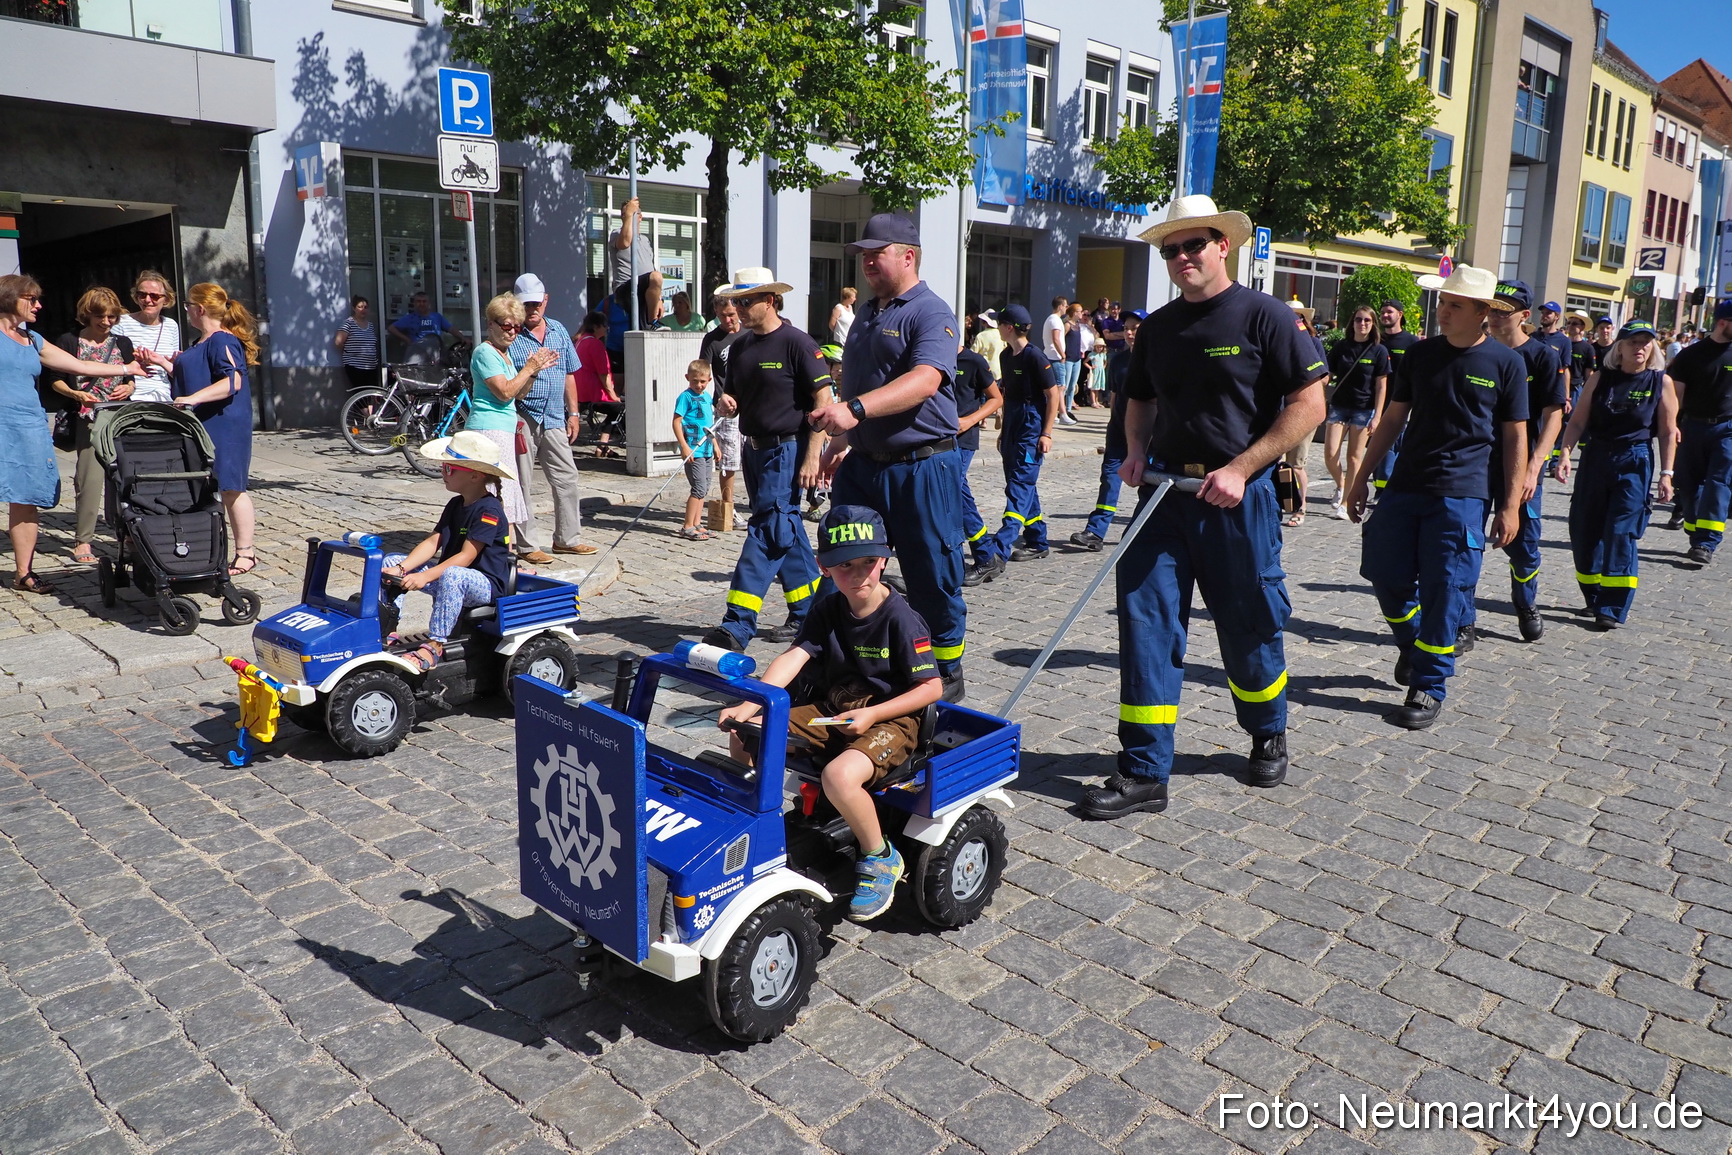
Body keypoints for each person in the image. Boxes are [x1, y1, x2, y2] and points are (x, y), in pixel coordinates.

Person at [1081, 197, 1327, 820]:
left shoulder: (1267, 317)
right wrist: (1135, 450)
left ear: (1224, 245)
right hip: (1162, 498)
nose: (1182, 258)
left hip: (1237, 502)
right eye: (1171, 250)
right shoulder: (1159, 327)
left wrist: (1243, 469)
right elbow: (1137, 400)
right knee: (1146, 629)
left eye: (1194, 245)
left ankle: (1267, 727)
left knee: (1248, 629)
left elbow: (1309, 406)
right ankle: (1143, 771)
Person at [717, 505, 941, 921]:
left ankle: (880, 855)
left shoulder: (902, 619)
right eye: (843, 566)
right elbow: (793, 657)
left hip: (892, 720)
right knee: (745, 732)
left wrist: (875, 716)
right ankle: (751, 826)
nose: (858, 575)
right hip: (833, 710)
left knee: (837, 776)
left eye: (868, 563)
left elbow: (931, 687)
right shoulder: (827, 610)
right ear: (823, 567)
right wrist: (749, 705)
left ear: (885, 558)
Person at [1344, 265, 1528, 731]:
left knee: (1446, 590)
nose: (1443, 311)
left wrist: (1509, 505)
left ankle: (1429, 683)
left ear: (1483, 312)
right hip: (1406, 486)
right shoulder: (1420, 355)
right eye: (1442, 302)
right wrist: (1361, 476)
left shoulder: (1506, 364)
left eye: (1454, 305)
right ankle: (1411, 643)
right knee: (1385, 575)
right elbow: (1390, 421)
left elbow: (1514, 439)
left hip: (1463, 494)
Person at [809, 212, 968, 702]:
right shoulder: (869, 314)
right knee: (845, 564)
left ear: (908, 256)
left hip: (921, 466)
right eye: (864, 254)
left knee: (931, 576)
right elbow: (863, 384)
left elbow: (926, 380)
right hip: (865, 466)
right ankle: (845, 663)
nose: (868, 261)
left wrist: (853, 410)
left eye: (878, 253)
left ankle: (943, 676)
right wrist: (841, 442)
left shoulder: (930, 310)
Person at [701, 267, 833, 651]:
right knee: (786, 529)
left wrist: (812, 457)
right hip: (752, 449)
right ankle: (813, 611)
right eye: (735, 301)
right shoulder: (739, 347)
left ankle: (737, 624)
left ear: (770, 301)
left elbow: (824, 402)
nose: (737, 308)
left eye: (745, 301)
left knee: (767, 529)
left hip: (789, 448)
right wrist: (724, 402)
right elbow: (733, 398)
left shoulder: (798, 343)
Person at [1, 275, 144, 592]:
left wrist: (127, 370)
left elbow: (79, 365)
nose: (39, 305)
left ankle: (24, 573)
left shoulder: (33, 340)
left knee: (25, 500)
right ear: (11, 298)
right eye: (32, 298)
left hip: (26, 428)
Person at [1556, 320, 1678, 629]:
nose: (1640, 347)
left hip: (1635, 460)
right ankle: (1593, 594)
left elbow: (1667, 432)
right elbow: (1577, 422)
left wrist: (1666, 473)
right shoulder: (1601, 379)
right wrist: (1565, 454)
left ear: (1653, 348)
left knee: (1621, 532)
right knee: (1584, 530)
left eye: (1646, 342)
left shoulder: (1660, 382)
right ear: (1619, 347)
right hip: (1597, 457)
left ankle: (1612, 605)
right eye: (1633, 342)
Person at [381, 431, 518, 672]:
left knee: (452, 574)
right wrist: (402, 568)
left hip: (484, 585)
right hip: (450, 577)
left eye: (449, 468)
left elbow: (467, 556)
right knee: (392, 559)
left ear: (474, 475)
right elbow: (433, 542)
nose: (443, 472)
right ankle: (386, 629)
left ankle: (434, 645)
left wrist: (424, 576)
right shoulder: (456, 503)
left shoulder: (489, 510)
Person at [1481, 280, 1567, 644]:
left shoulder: (1543, 356)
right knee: (1462, 543)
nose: (1497, 316)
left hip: (1522, 465)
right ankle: (1462, 620)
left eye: (1506, 310)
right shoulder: (1478, 351)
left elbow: (1554, 415)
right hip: (1479, 461)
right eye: (1493, 308)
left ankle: (1525, 602)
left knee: (1524, 546)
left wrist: (1535, 465)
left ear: (1524, 316)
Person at [167, 283, 265, 577]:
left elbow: (232, 381)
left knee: (232, 487)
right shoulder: (202, 341)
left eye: (186, 306)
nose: (186, 311)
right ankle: (210, 548)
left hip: (224, 424)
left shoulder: (222, 339)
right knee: (208, 487)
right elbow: (197, 374)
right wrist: (162, 363)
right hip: (202, 423)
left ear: (198, 309)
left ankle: (246, 553)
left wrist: (193, 399)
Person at [509, 274, 597, 558]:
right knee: (521, 482)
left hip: (555, 416)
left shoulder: (558, 330)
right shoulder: (511, 334)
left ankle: (567, 538)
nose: (532, 309)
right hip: (522, 416)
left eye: (536, 303)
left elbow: (570, 373)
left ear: (546, 300)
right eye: (526, 304)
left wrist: (574, 413)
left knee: (567, 478)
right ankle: (526, 545)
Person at [49, 287, 137, 565]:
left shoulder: (122, 342)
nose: (107, 322)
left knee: (128, 478)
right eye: (101, 316)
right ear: (87, 314)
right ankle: (83, 540)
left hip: (119, 417)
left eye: (112, 316)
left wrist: (129, 387)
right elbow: (54, 378)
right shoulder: (69, 341)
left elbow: (132, 374)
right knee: (89, 478)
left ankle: (129, 534)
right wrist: (75, 394)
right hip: (88, 417)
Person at [468, 293, 559, 562]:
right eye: (506, 325)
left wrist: (533, 372)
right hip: (488, 428)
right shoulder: (484, 352)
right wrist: (528, 366)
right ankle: (497, 556)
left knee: (505, 492)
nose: (512, 332)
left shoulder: (504, 355)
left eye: (517, 327)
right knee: (496, 493)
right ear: (491, 324)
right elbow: (505, 392)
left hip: (504, 429)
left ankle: (503, 556)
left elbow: (519, 393)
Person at [971, 304, 1057, 580]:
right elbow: (1007, 394)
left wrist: (1046, 433)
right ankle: (1037, 540)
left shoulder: (1035, 356)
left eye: (1000, 323)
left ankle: (1001, 547)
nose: (997, 327)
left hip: (1032, 426)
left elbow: (1053, 395)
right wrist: (1002, 430)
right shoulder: (1007, 355)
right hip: (1013, 425)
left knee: (1020, 486)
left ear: (1009, 327)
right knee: (1019, 482)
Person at [1069, 310, 1145, 551]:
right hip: (1118, 431)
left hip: (1148, 436)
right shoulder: (1119, 361)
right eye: (1127, 328)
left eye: (1135, 328)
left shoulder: (1157, 360)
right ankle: (1095, 531)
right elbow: (1115, 397)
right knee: (1110, 479)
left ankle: (1140, 531)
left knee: (1148, 483)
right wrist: (1112, 424)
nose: (1130, 333)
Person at [1665, 299, 1732, 564]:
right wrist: (1671, 427)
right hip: (1692, 426)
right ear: (1723, 322)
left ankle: (1706, 542)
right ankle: (1695, 531)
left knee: (1719, 482)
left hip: (1727, 428)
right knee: (1689, 485)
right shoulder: (1690, 355)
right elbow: (1675, 397)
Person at [1321, 306, 1390, 521]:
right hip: (1340, 406)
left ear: (1373, 324)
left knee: (1354, 457)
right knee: (1330, 454)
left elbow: (1381, 386)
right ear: (1352, 323)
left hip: (1364, 408)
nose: (1362, 324)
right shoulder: (1342, 347)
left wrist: (1377, 416)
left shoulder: (1379, 350)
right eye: (1358, 320)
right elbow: (1327, 375)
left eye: (1367, 321)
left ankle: (1345, 501)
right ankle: (1341, 484)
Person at [952, 335, 1002, 576]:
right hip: (935, 440)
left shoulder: (974, 362)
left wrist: (970, 420)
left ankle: (984, 554)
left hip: (964, 440)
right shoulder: (931, 359)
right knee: (951, 497)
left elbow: (996, 398)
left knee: (956, 492)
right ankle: (958, 558)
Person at [1279, 301, 1325, 528]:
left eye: (1298, 317)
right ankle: (1280, 503)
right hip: (1278, 411)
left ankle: (1301, 506)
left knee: (1296, 464)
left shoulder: (1312, 343)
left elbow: (1324, 377)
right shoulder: (1278, 341)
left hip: (1303, 410)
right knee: (1276, 464)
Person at [1370, 299, 1421, 497]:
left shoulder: (1411, 342)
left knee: (1396, 448)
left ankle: (1391, 489)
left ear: (1400, 314)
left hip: (1402, 406)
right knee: (1381, 449)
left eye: (1389, 312)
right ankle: (1381, 489)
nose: (1385, 316)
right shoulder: (1377, 340)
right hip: (1377, 404)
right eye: (1382, 312)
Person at [701, 299, 747, 518]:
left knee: (754, 458)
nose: (728, 320)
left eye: (731, 314)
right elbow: (701, 371)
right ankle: (729, 509)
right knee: (729, 462)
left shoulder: (749, 333)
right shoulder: (712, 340)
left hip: (752, 404)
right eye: (722, 316)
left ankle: (757, 503)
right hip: (726, 408)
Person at [111, 270, 179, 404]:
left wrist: (172, 362)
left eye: (154, 296)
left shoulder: (171, 325)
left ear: (166, 299)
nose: (147, 300)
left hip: (162, 398)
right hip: (129, 397)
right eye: (142, 295)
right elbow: (111, 363)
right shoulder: (122, 322)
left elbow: (174, 372)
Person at [673, 359, 716, 540]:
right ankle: (687, 526)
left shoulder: (707, 397)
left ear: (709, 380)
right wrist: (684, 446)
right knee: (698, 488)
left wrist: (715, 445)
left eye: (702, 381)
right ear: (687, 378)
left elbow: (709, 426)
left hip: (706, 450)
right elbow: (676, 422)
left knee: (704, 488)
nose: (698, 385)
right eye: (694, 381)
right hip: (694, 451)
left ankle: (697, 522)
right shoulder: (685, 397)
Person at [573, 312, 623, 460]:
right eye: (604, 326)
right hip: (594, 394)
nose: (607, 329)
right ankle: (602, 445)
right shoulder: (595, 344)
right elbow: (603, 373)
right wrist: (613, 395)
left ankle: (603, 447)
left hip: (581, 393)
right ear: (596, 326)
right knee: (618, 408)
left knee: (615, 408)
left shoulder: (580, 341)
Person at [609, 196, 663, 326]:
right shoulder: (616, 234)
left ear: (640, 217)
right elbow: (625, 242)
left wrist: (658, 299)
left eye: (633, 214)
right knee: (655, 277)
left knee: (655, 276)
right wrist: (628, 215)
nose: (627, 216)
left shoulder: (645, 240)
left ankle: (650, 324)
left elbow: (650, 268)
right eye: (624, 214)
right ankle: (652, 322)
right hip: (625, 287)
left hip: (644, 288)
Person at [333, 296, 381, 391]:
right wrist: (351, 352)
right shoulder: (348, 323)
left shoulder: (370, 325)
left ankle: (369, 407)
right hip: (355, 365)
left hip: (371, 365)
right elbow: (338, 342)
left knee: (370, 393)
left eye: (365, 307)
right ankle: (363, 407)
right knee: (360, 393)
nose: (363, 310)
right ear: (354, 308)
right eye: (360, 307)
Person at [388, 291, 465, 349]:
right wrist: (407, 340)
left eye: (424, 301)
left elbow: (451, 328)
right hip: (417, 351)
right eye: (418, 301)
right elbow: (391, 328)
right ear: (414, 303)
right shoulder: (409, 318)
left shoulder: (437, 317)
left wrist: (463, 338)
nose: (421, 304)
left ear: (428, 303)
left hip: (435, 351)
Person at [1060, 303, 1090, 421]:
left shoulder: (1078, 325)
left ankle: (1068, 409)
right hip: (1068, 358)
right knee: (1065, 385)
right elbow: (1061, 339)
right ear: (1073, 312)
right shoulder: (1067, 325)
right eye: (1079, 311)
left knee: (1073, 385)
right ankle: (1061, 409)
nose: (1081, 313)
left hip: (1077, 358)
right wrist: (1062, 353)